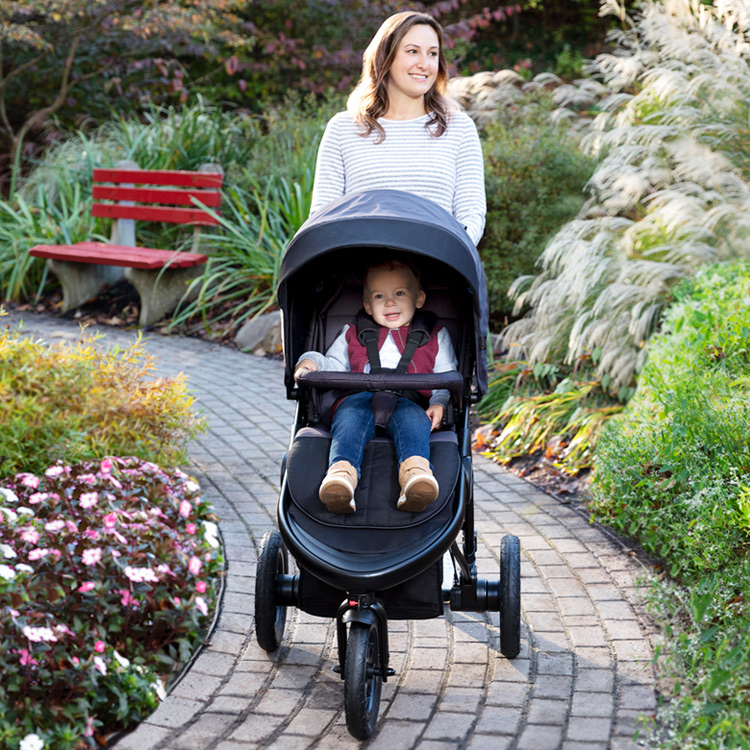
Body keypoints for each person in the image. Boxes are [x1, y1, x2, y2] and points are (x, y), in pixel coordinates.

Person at [294, 260, 458, 515]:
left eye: (399, 293)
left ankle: (416, 476)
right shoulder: (352, 333)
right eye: (379, 296)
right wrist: (310, 361)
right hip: (358, 397)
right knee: (348, 420)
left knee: (415, 422)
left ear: (419, 299)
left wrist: (439, 402)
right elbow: (332, 365)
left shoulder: (436, 336)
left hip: (411, 401)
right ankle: (341, 477)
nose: (389, 302)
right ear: (368, 306)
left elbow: (446, 376)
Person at [310, 10, 486, 246]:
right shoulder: (343, 129)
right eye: (412, 51)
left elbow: (471, 215)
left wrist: (445, 255)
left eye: (432, 53)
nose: (424, 64)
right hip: (361, 274)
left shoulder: (459, 129)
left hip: (436, 271)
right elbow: (322, 218)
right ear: (386, 57)